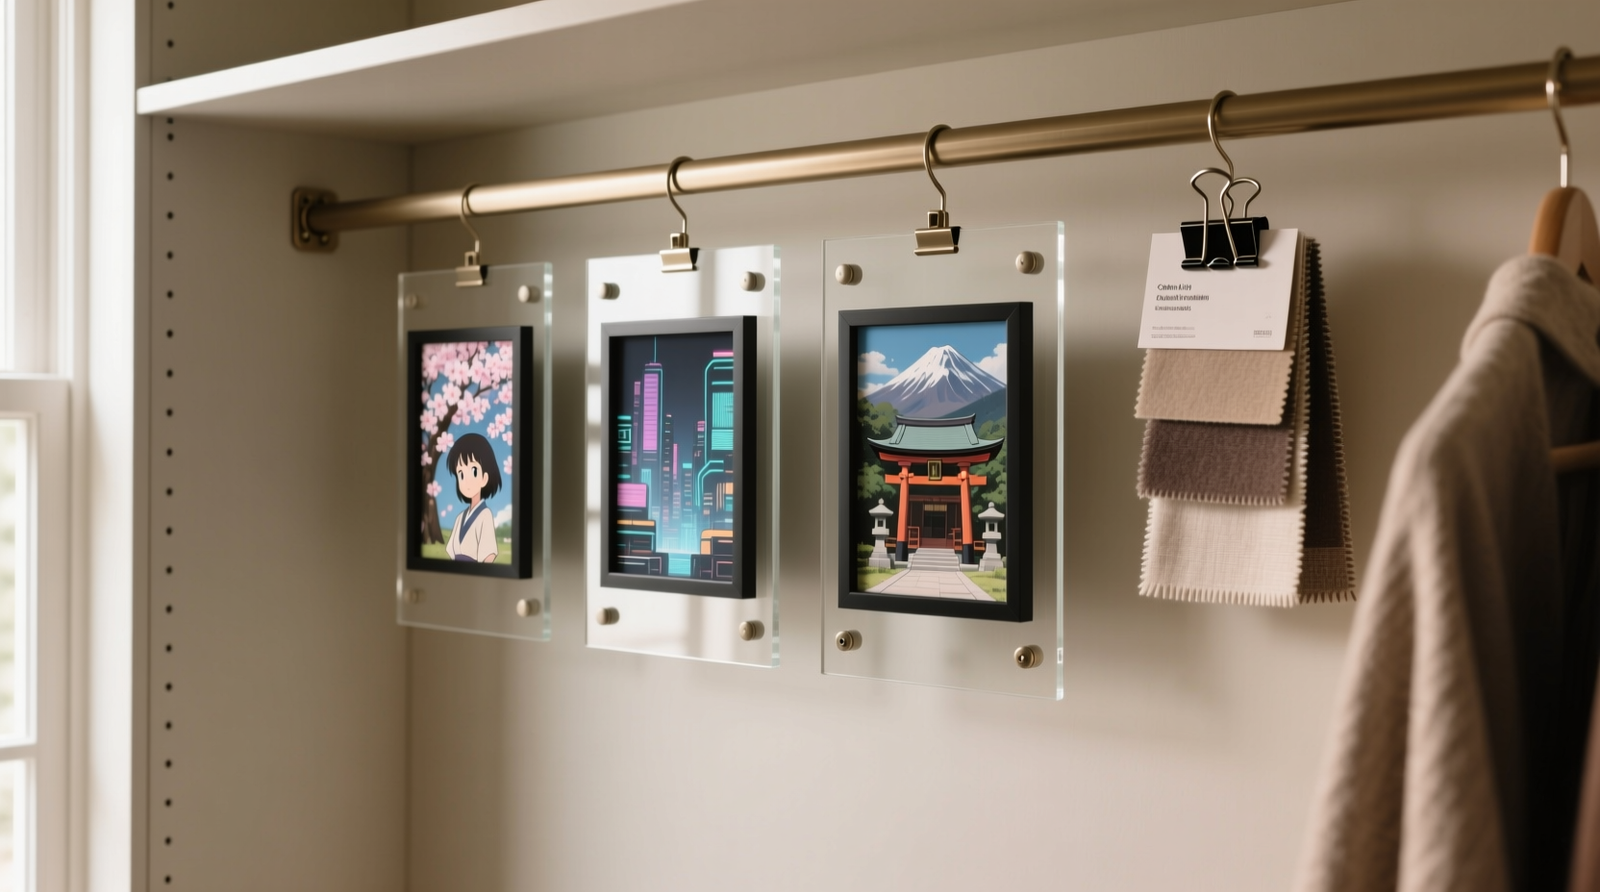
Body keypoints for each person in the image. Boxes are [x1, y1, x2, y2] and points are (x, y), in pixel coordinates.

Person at [443, 433, 502, 563]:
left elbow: (489, 555)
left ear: (485, 478)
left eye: (474, 471)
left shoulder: (485, 515)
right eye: (461, 474)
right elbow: (451, 550)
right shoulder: (459, 518)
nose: (467, 481)